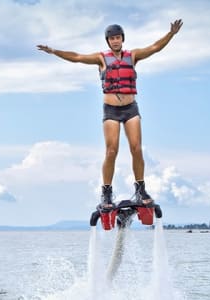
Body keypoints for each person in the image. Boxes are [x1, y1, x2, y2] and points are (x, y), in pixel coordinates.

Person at [37, 19, 183, 209]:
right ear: (108, 41)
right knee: (111, 151)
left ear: (122, 39)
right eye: (112, 38)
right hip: (111, 110)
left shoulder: (133, 56)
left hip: (131, 109)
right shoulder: (101, 58)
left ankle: (140, 189)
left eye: (118, 37)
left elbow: (155, 47)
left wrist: (171, 34)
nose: (115, 41)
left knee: (136, 149)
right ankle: (106, 192)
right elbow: (77, 57)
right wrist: (54, 51)